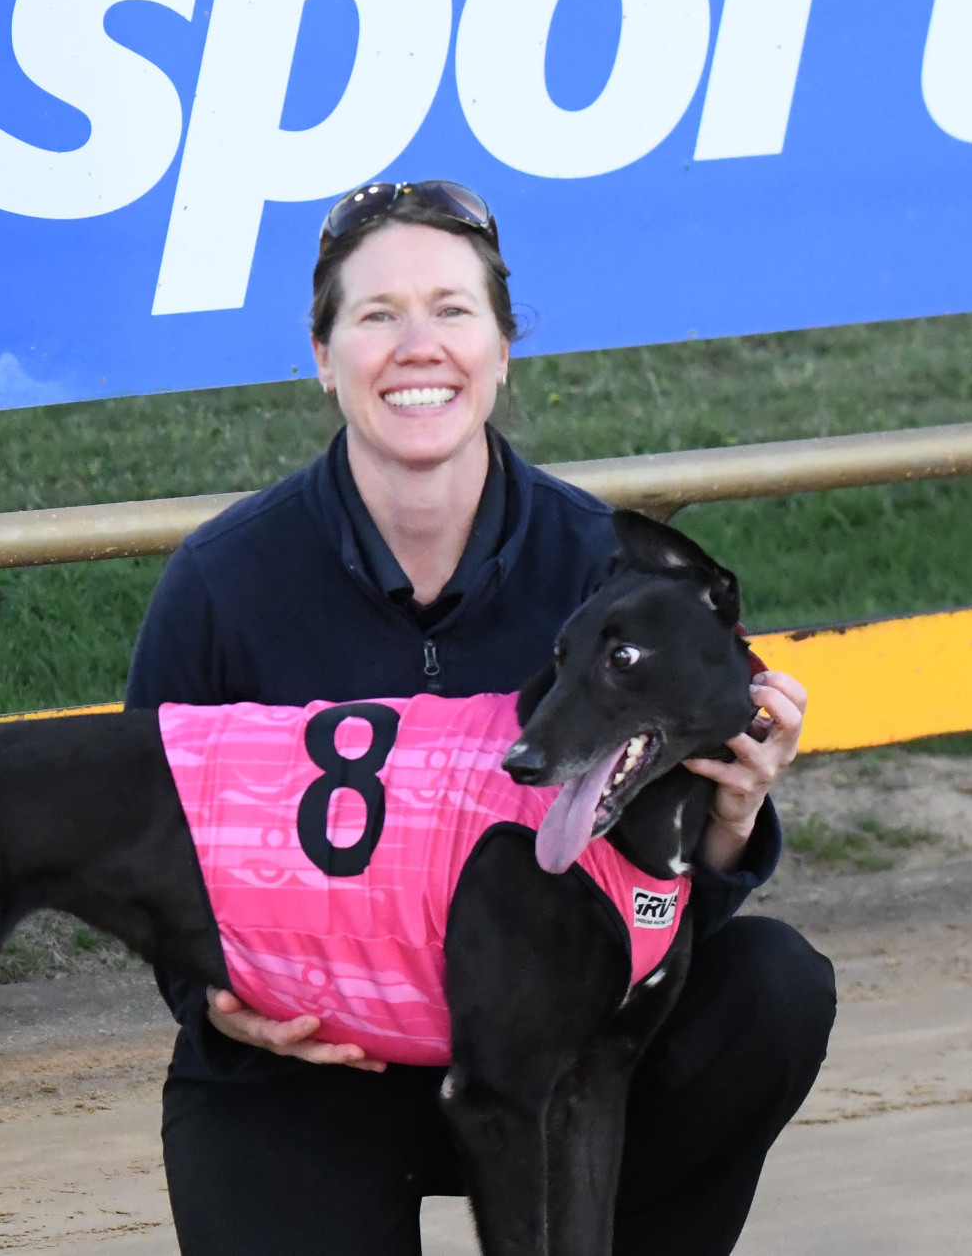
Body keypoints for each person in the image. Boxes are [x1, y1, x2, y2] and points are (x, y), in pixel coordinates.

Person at [125, 180, 836, 1256]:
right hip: (322, 1060)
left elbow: (674, 880)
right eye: (376, 315)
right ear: (321, 355)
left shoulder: (606, 567)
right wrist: (210, 990)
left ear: (504, 347)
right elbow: (143, 828)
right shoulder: (226, 580)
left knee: (771, 986)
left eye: (453, 310)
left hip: (558, 1053)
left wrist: (732, 820)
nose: (419, 345)